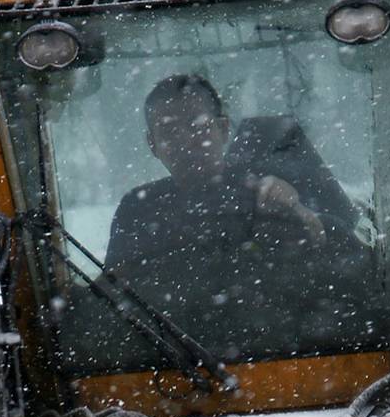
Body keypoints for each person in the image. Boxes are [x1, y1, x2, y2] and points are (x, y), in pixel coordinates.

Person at [104, 74, 360, 283]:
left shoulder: (272, 187)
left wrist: (298, 212)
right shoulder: (139, 209)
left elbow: (348, 256)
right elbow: (114, 298)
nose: (184, 141)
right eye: (169, 131)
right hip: (169, 343)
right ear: (152, 144)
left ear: (224, 129)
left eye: (196, 125)